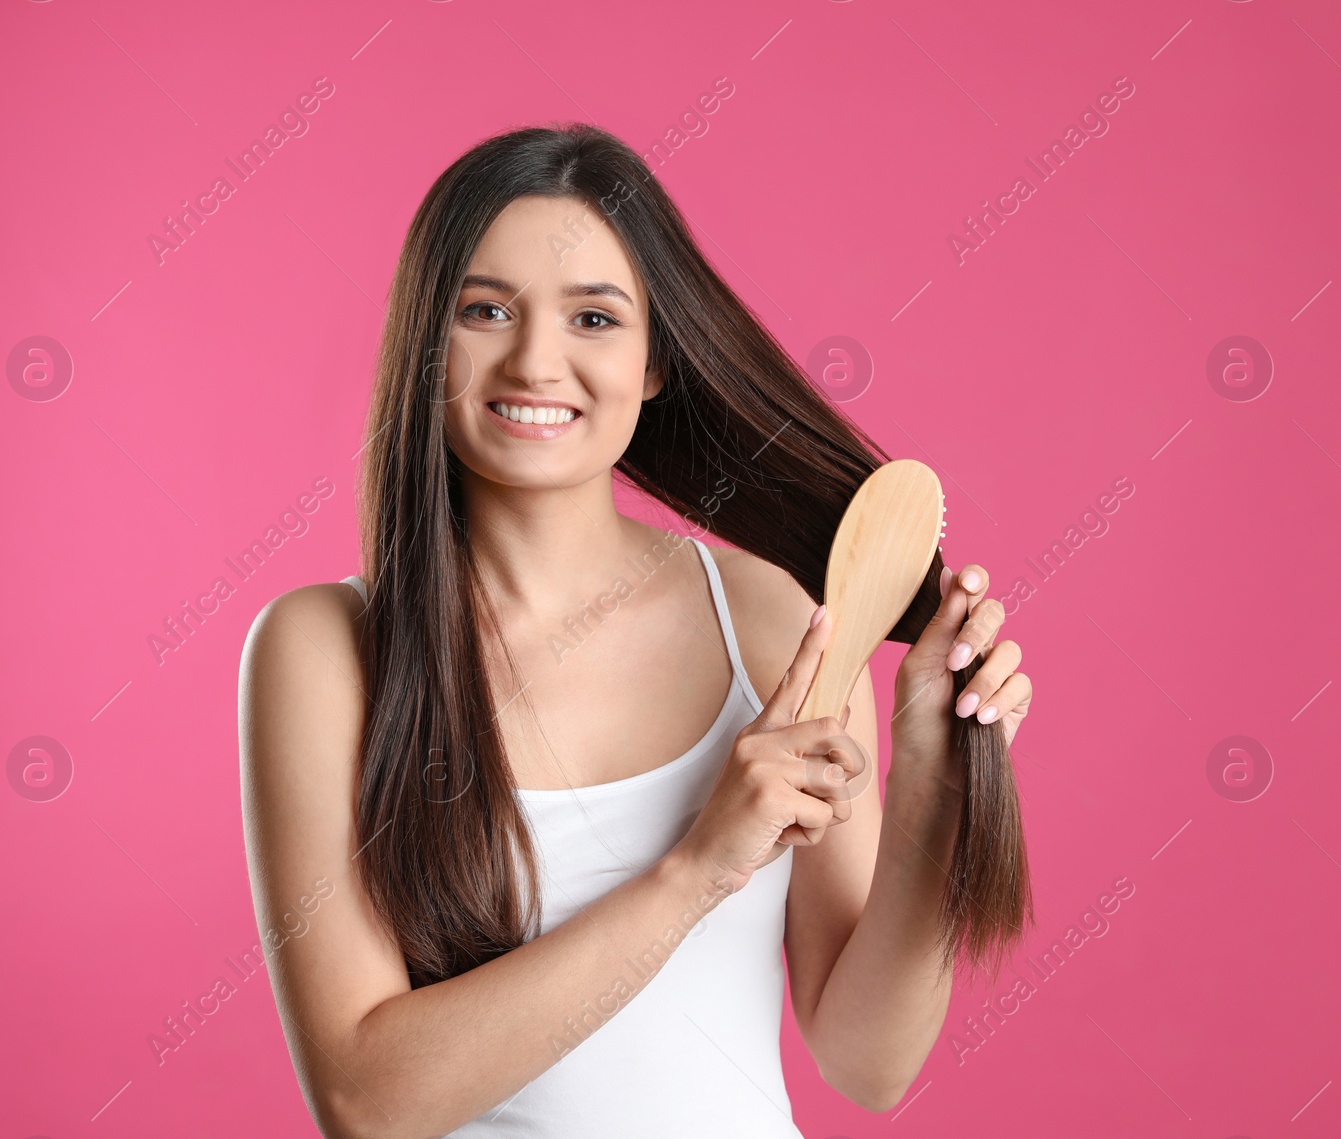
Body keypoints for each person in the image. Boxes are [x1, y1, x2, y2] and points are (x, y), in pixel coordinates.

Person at [238, 123, 1031, 1138]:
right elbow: (366, 1099)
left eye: (594, 318)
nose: (536, 360)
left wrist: (931, 777)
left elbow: (867, 1060)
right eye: (485, 310)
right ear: (427, 343)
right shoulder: (323, 649)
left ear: (656, 360)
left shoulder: (770, 620)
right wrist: (698, 864)